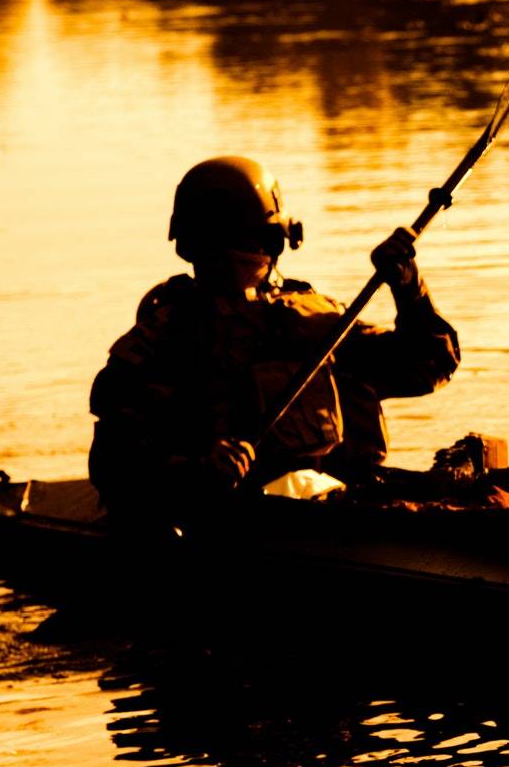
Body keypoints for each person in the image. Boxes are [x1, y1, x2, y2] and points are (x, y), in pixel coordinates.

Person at [89, 156, 460, 523]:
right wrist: (195, 471)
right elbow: (114, 467)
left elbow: (429, 365)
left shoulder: (314, 320)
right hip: (226, 522)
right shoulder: (165, 340)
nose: (238, 253)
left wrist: (409, 288)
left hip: (345, 515)